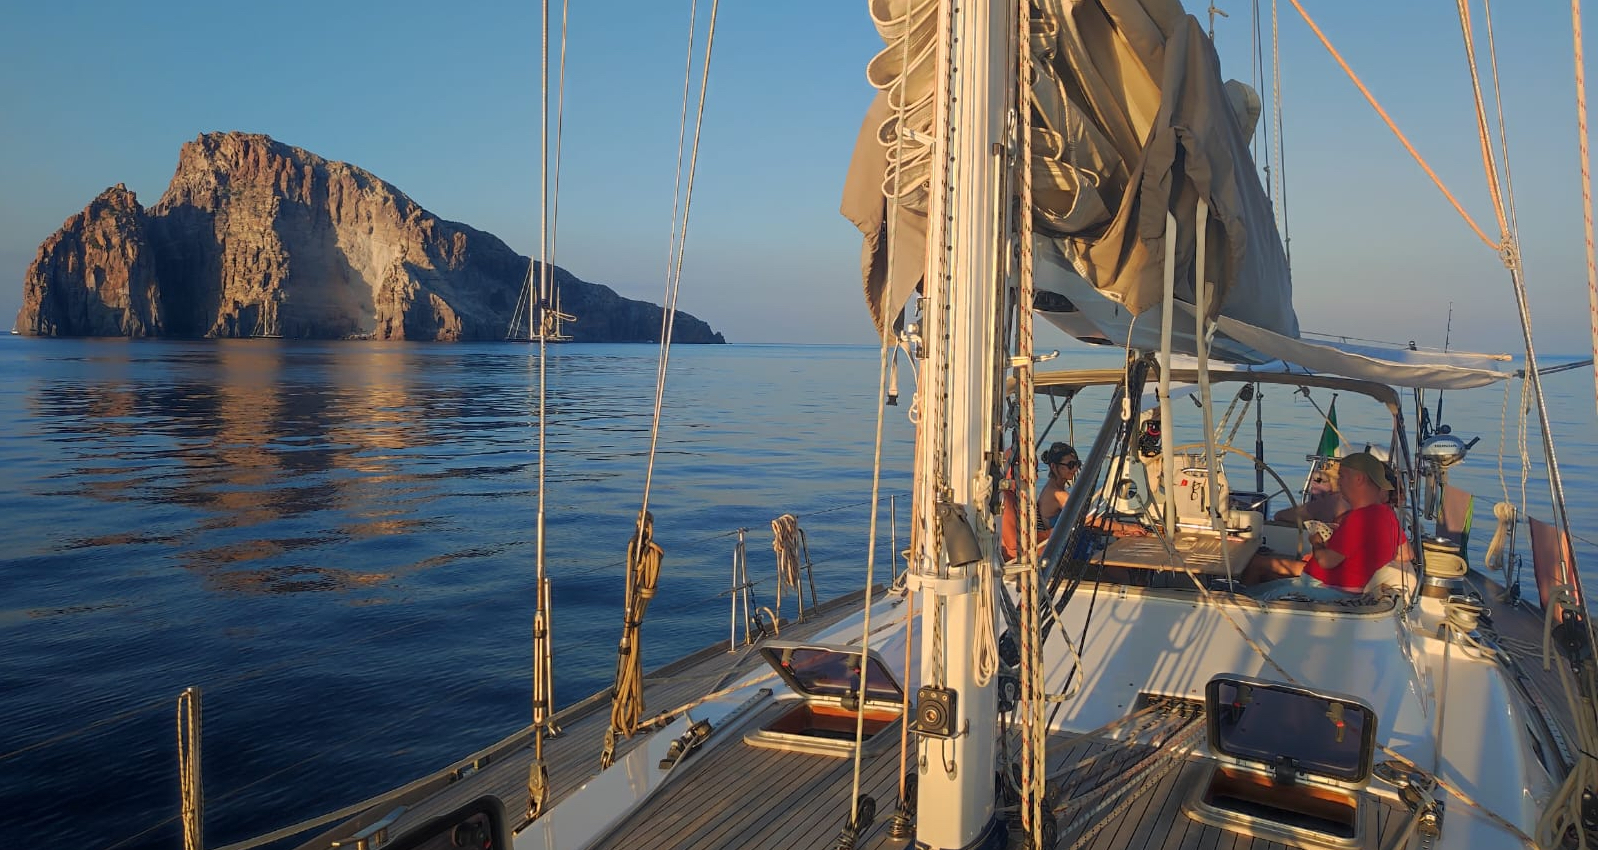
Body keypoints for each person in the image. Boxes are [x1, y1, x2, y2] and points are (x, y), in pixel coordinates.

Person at [1242, 452, 1403, 601]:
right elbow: (1405, 554)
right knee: (1255, 590)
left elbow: (1326, 561)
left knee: (1250, 597)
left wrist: (1316, 541)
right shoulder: (1388, 515)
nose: (1339, 482)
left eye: (1342, 476)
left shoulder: (1361, 517)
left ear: (1360, 479)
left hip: (1329, 588)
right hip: (1325, 582)